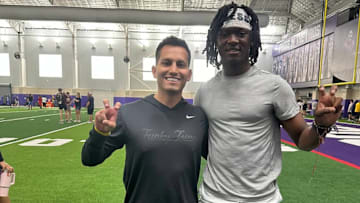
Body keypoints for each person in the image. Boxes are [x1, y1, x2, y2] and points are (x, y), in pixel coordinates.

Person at [195, 3, 343, 203]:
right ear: (216, 39)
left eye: (240, 33)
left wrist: (321, 126)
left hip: (262, 199)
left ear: (252, 39)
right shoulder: (204, 91)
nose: (232, 40)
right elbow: (205, 146)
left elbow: (302, 140)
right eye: (225, 34)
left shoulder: (274, 86)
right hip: (212, 198)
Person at [82, 36, 208, 203]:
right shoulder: (128, 113)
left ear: (189, 74)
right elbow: (90, 159)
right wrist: (99, 133)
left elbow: (221, 160)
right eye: (166, 62)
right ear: (155, 70)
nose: (173, 70)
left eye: (181, 64)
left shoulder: (199, 118)